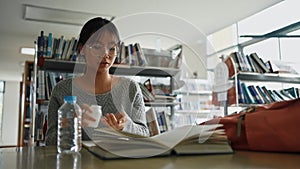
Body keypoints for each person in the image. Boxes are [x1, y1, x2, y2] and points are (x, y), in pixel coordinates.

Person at [45, 17, 149, 145]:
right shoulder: (62, 90)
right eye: (97, 47)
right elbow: (49, 142)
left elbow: (145, 134)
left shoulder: (131, 88)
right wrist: (72, 125)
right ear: (81, 49)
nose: (105, 54)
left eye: (112, 48)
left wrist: (126, 126)